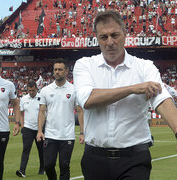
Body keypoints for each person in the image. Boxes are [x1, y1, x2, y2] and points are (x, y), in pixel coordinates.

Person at [73, 10, 177, 180]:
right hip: (95, 160)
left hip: (134, 159)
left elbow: (161, 98)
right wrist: (132, 88)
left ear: (125, 34)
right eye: (104, 37)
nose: (110, 42)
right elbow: (88, 99)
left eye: (115, 35)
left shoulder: (145, 67)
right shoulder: (84, 65)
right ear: (97, 38)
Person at [36, 59, 84, 180]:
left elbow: (80, 111)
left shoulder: (74, 90)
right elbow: (42, 111)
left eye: (60, 69)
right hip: (50, 135)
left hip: (67, 135)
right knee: (48, 165)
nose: (57, 72)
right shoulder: (46, 90)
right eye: (55, 69)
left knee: (64, 166)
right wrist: (40, 131)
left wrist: (82, 132)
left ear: (67, 71)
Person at [16, 80, 45, 178]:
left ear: (36, 89)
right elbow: (20, 113)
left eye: (33, 90)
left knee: (41, 150)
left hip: (39, 129)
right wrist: (22, 126)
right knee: (26, 149)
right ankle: (22, 170)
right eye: (29, 90)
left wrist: (42, 128)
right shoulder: (24, 99)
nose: (31, 92)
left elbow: (45, 113)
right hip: (27, 128)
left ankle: (42, 168)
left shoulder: (42, 98)